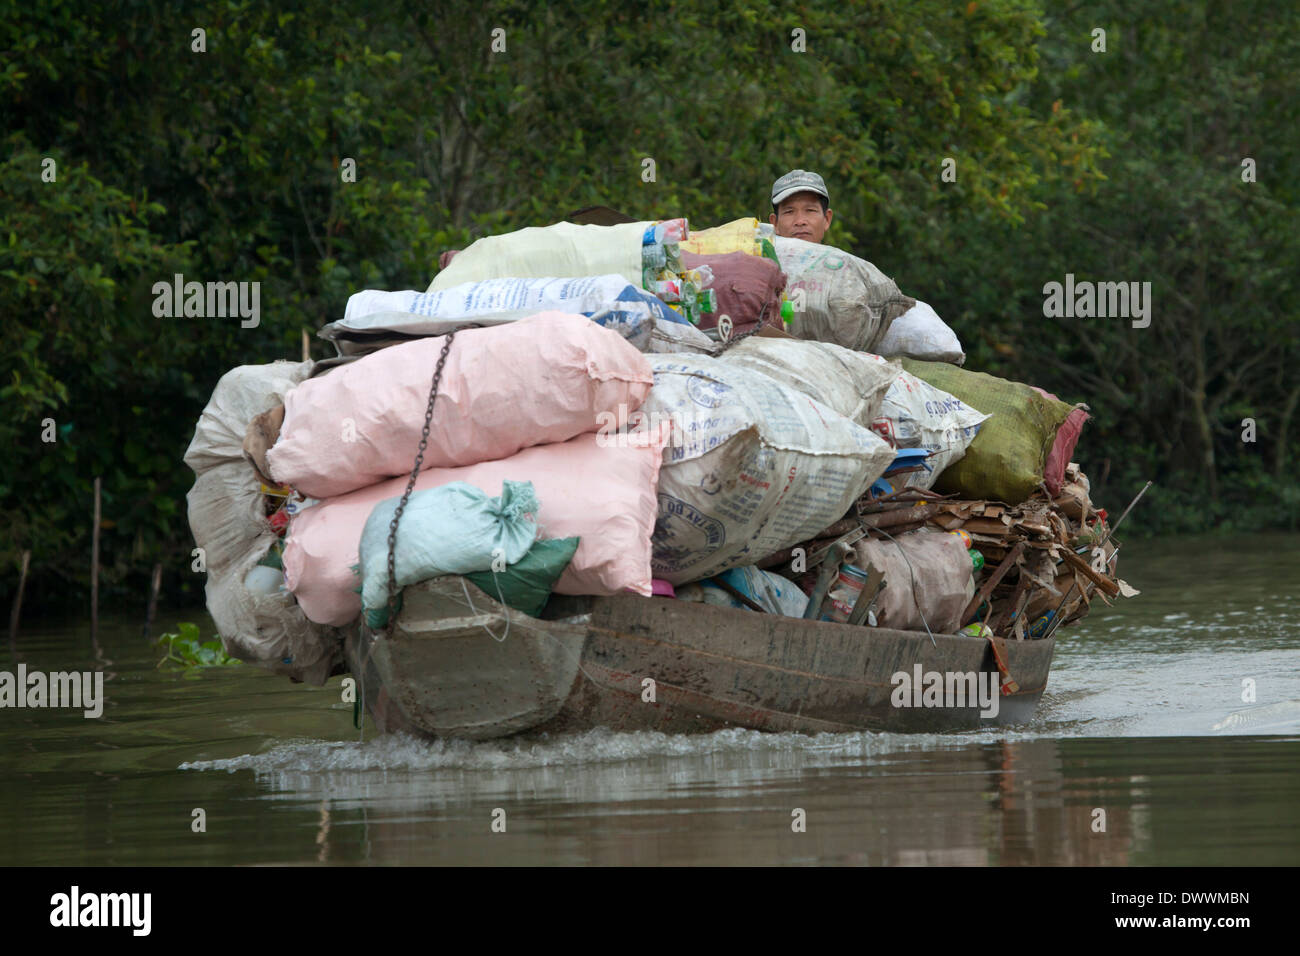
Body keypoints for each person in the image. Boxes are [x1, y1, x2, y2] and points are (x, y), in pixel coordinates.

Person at [769, 169, 833, 244]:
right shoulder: (756, 255)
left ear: (827, 219)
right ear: (775, 224)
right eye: (789, 211)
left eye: (810, 210)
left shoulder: (841, 256)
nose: (800, 221)